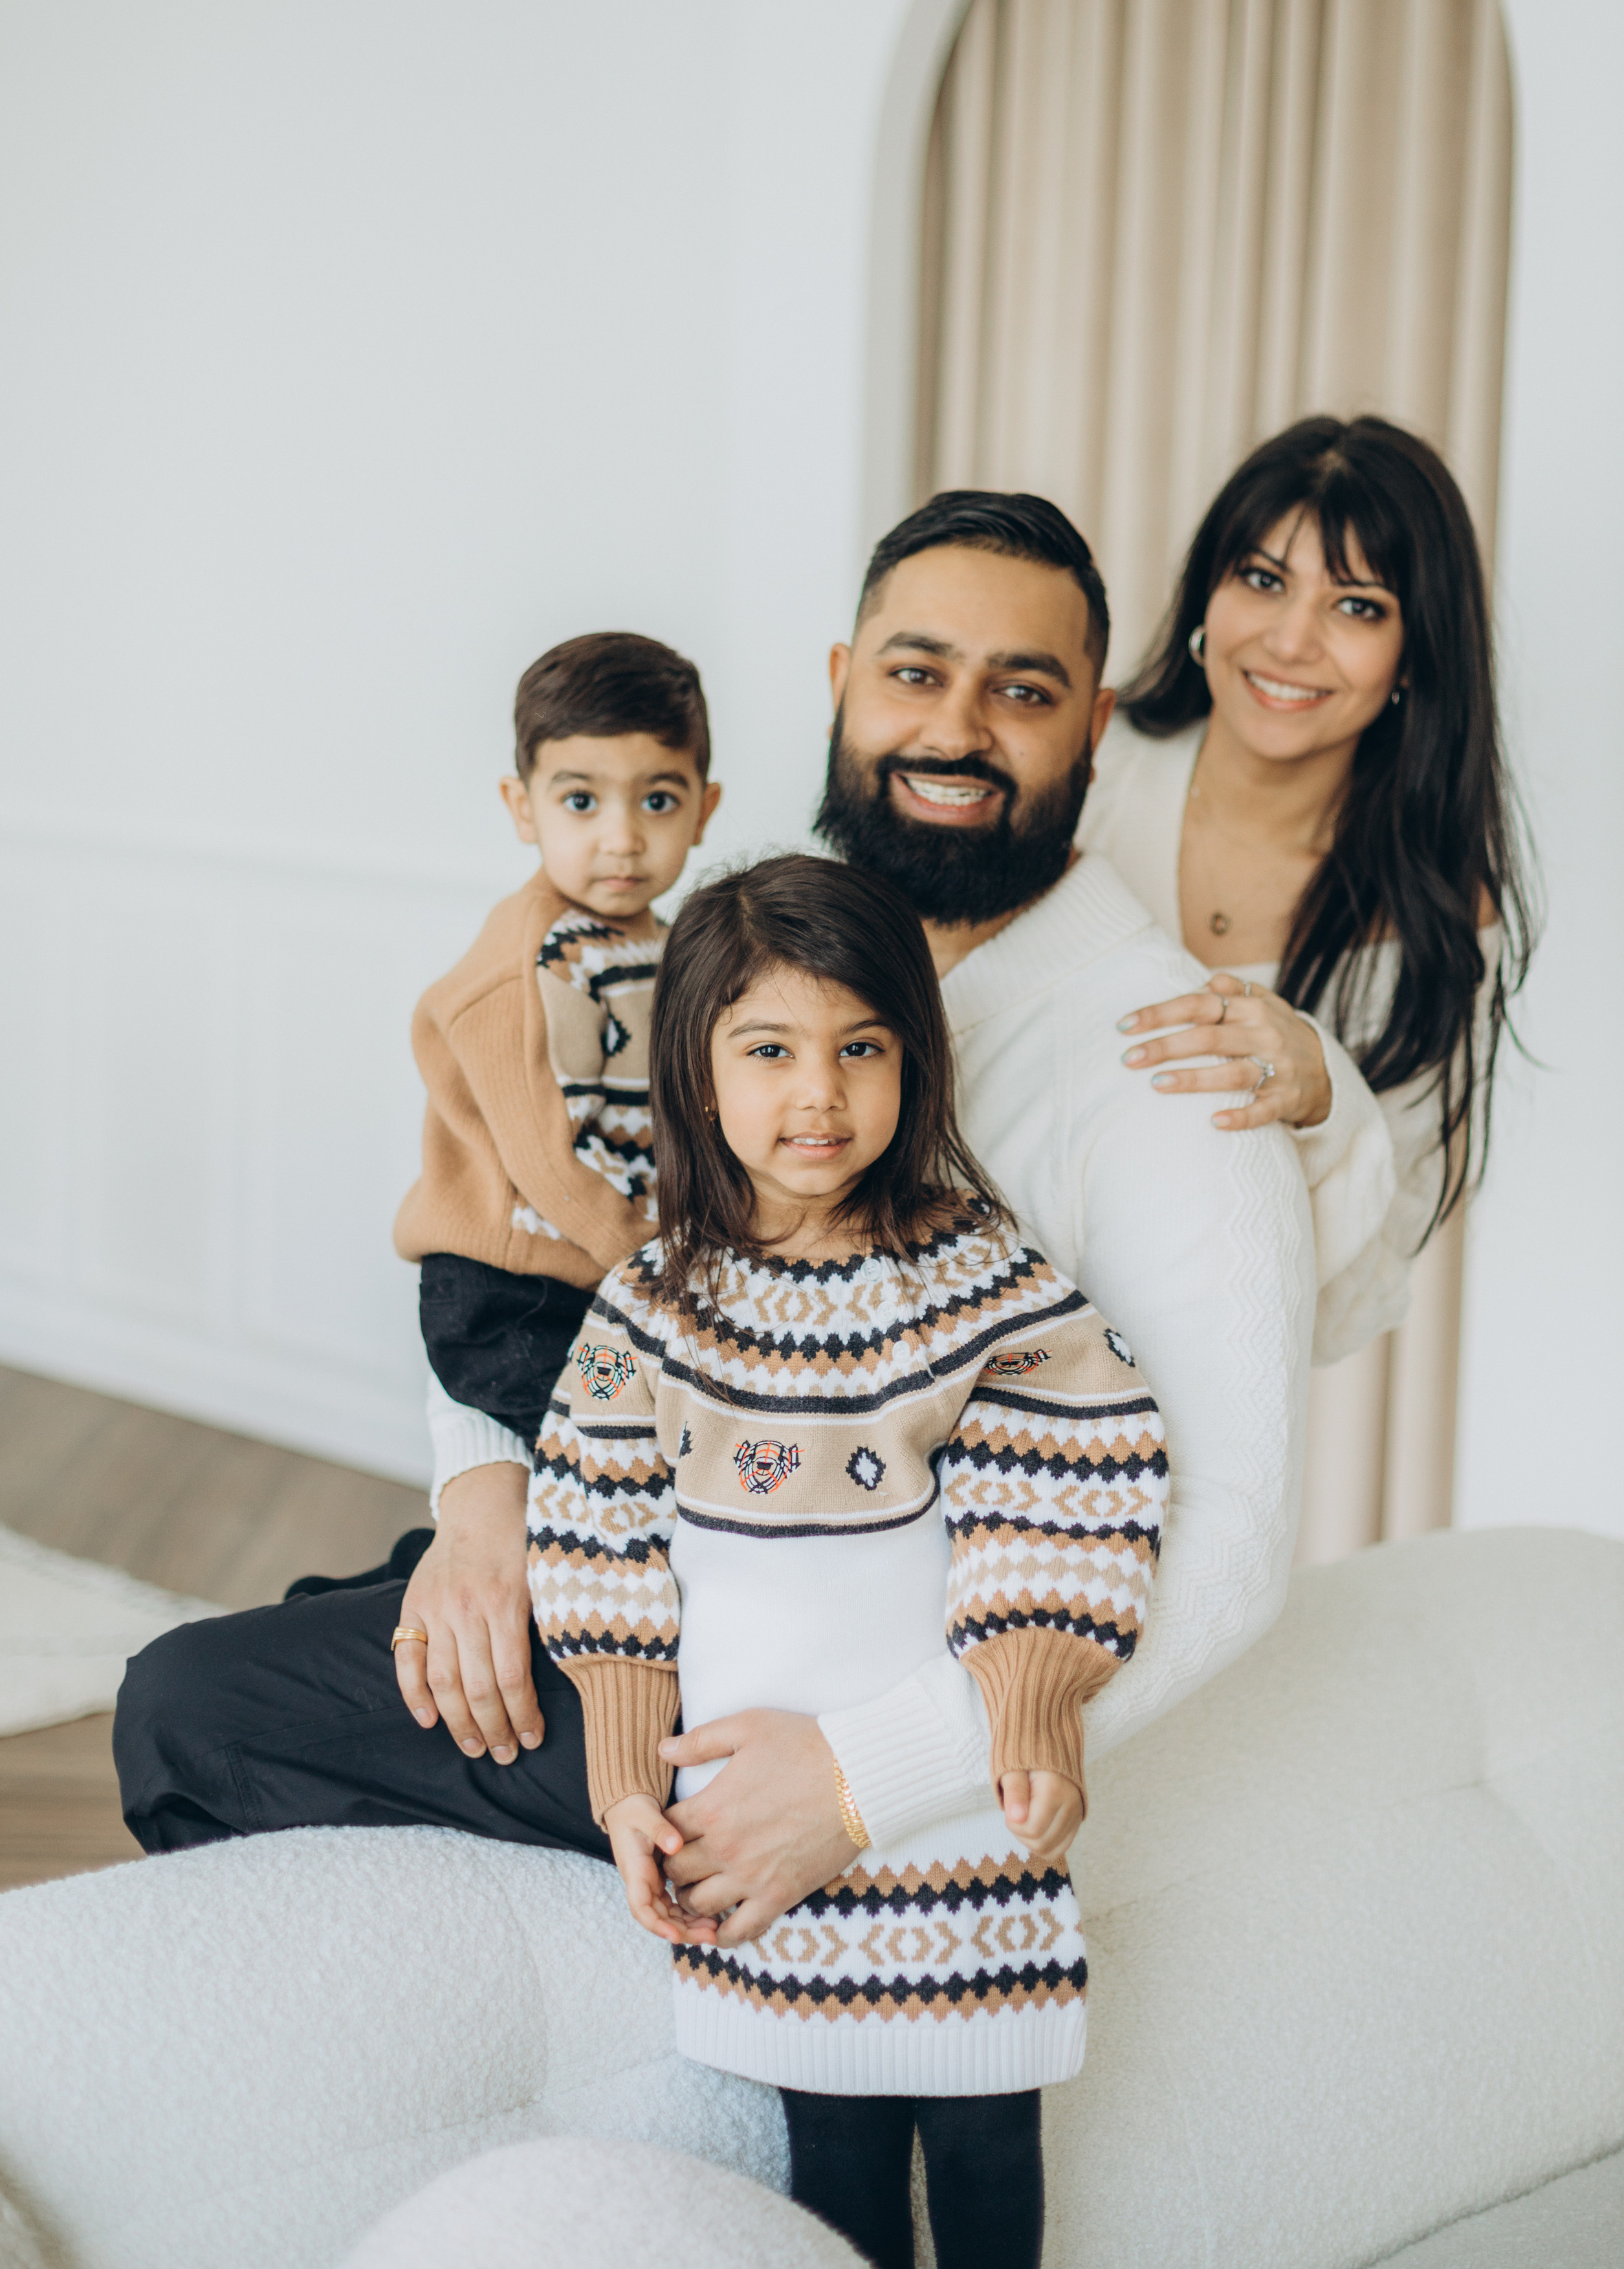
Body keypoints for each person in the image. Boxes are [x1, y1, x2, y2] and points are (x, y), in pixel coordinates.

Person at [115, 495, 1310, 1969]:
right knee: (361, 1607)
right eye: (913, 671)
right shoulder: (765, 941)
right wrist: (493, 1493)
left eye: (1020, 690)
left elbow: (1232, 1541)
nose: (952, 727)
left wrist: (861, 1781)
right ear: (839, 681)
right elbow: (538, 1229)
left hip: (817, 1675)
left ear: (1096, 725)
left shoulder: (1174, 1066)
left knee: (192, 1709)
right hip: (651, 1542)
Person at [534, 852, 1167, 2269]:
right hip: (764, 1848)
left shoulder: (975, 1281)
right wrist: (627, 1773)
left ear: (911, 1062)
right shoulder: (653, 1308)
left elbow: (1071, 1480)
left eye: (858, 1049)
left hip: (945, 1825)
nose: (816, 1095)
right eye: (768, 1051)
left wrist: (1031, 1702)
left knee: (995, 2148)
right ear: (698, 1076)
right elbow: (593, 1538)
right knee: (832, 2162)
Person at [1075, 416, 1537, 1359]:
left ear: (1416, 655)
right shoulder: (1081, 772)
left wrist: (1327, 1098)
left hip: (1218, 1390)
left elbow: (1368, 1278)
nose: (1291, 641)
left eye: (1358, 606)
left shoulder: (1436, 914)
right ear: (1209, 590)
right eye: (1263, 578)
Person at [389, 630, 719, 1763]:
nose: (621, 838)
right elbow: (549, 1165)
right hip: (509, 1283)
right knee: (608, 1477)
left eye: (657, 799)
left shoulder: (665, 947)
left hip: (598, 1268)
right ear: (521, 804)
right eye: (581, 798)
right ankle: (583, 1694)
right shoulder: (522, 964)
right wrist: (652, 1264)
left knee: (635, 1463)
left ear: (706, 806)